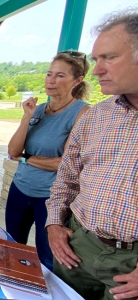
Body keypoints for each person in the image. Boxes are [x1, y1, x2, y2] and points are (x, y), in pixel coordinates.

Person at [45, 10, 138, 300]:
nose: (97, 70)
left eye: (109, 58)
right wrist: (54, 224)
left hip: (131, 266)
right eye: (96, 59)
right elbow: (67, 178)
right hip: (78, 245)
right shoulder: (96, 116)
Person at [6, 51, 90, 271]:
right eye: (49, 74)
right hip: (20, 188)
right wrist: (26, 117)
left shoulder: (82, 113)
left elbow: (65, 164)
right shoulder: (39, 110)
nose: (51, 80)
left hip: (51, 196)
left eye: (60, 75)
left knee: (48, 258)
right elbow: (13, 150)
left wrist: (26, 157)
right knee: (13, 248)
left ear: (77, 80)